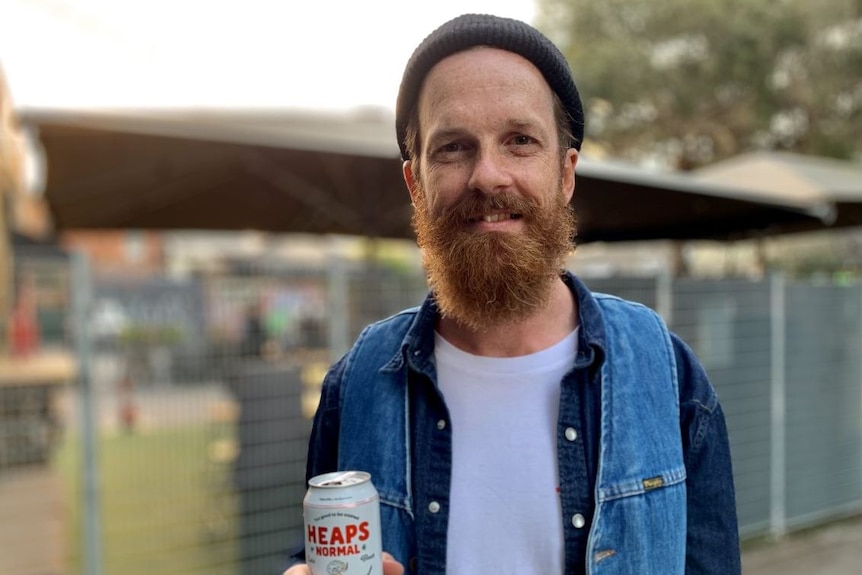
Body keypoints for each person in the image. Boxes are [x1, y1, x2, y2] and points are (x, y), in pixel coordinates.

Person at [285, 13, 740, 575]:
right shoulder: (355, 386)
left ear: (566, 173)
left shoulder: (667, 374)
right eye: (453, 147)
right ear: (415, 183)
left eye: (520, 141)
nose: (488, 176)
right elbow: (315, 555)